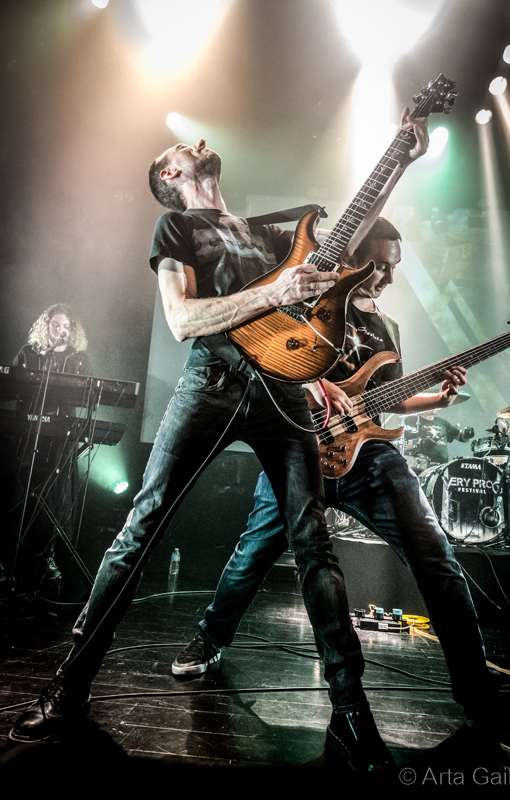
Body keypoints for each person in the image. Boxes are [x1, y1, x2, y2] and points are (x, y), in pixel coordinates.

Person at [9, 114, 430, 773]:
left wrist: (400, 157)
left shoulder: (268, 231)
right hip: (211, 383)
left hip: (282, 393)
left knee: (314, 544)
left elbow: (349, 230)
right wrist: (275, 291)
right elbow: (182, 319)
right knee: (142, 526)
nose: (199, 142)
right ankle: (69, 686)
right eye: (182, 147)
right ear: (170, 174)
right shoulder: (175, 228)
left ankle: (351, 714)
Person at [173, 218, 510, 762]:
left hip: (369, 457)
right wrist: (313, 383)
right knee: (251, 555)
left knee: (437, 559)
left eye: (395, 267)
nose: (388, 276)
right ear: (355, 258)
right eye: (381, 265)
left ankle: (482, 702)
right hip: (298, 445)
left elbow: (387, 398)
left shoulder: (387, 326)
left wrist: (437, 400)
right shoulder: (312, 300)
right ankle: (211, 635)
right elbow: (270, 355)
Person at [1, 304, 91, 603]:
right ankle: (7, 559)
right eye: (55, 324)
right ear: (46, 325)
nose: (60, 330)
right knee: (15, 495)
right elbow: (10, 385)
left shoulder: (79, 360)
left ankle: (46, 561)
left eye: (66, 326)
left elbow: (85, 395)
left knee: (52, 500)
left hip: (59, 441)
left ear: (72, 330)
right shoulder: (29, 353)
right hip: (24, 438)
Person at [404, 407, 474, 469]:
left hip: (442, 467)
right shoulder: (411, 420)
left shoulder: (442, 422)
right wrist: (422, 442)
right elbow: (403, 445)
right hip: (420, 467)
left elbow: (462, 437)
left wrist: (467, 435)